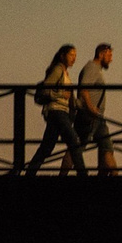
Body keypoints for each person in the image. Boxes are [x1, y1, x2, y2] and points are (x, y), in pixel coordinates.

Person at [25, 45, 86, 176]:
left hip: (60, 112)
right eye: (71, 55)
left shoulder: (64, 72)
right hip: (57, 111)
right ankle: (83, 174)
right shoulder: (58, 70)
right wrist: (59, 95)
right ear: (62, 55)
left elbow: (69, 97)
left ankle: (29, 172)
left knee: (47, 147)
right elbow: (46, 89)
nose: (74, 59)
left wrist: (82, 104)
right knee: (74, 140)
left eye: (75, 56)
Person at [75, 42, 117, 176]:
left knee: (106, 147)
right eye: (109, 55)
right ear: (101, 54)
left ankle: (112, 174)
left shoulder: (95, 69)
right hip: (90, 115)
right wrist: (91, 108)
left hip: (97, 116)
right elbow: (83, 89)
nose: (111, 58)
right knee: (77, 148)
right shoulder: (92, 68)